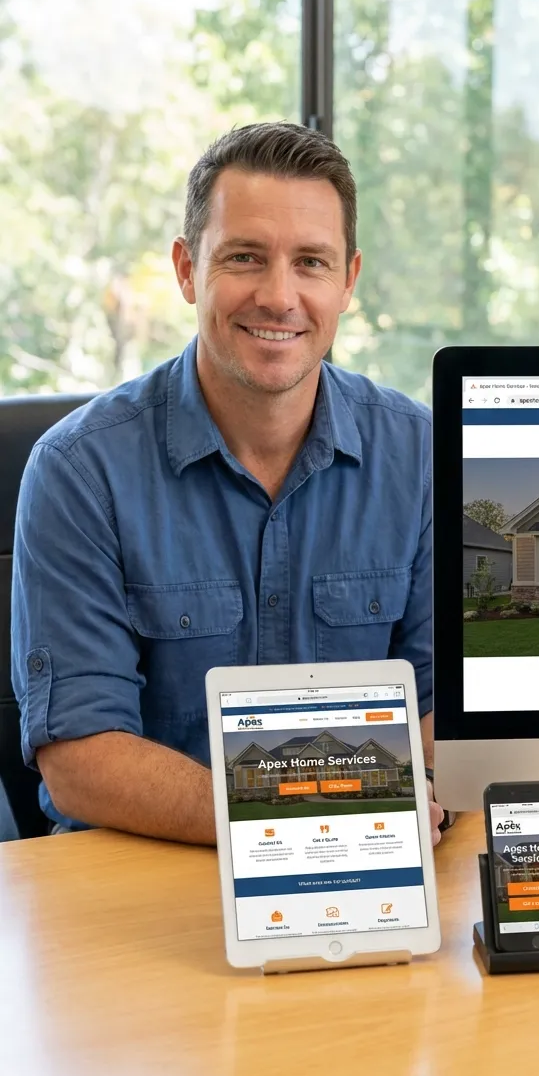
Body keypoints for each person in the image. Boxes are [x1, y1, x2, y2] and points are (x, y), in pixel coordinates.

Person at [12, 122, 444, 844]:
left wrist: (354, 819)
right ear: (187, 269)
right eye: (245, 257)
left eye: (311, 262)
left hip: (371, 860)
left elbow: (451, 712)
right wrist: (303, 814)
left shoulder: (422, 456)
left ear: (349, 282)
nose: (280, 297)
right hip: (139, 880)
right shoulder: (78, 471)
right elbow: (80, 760)